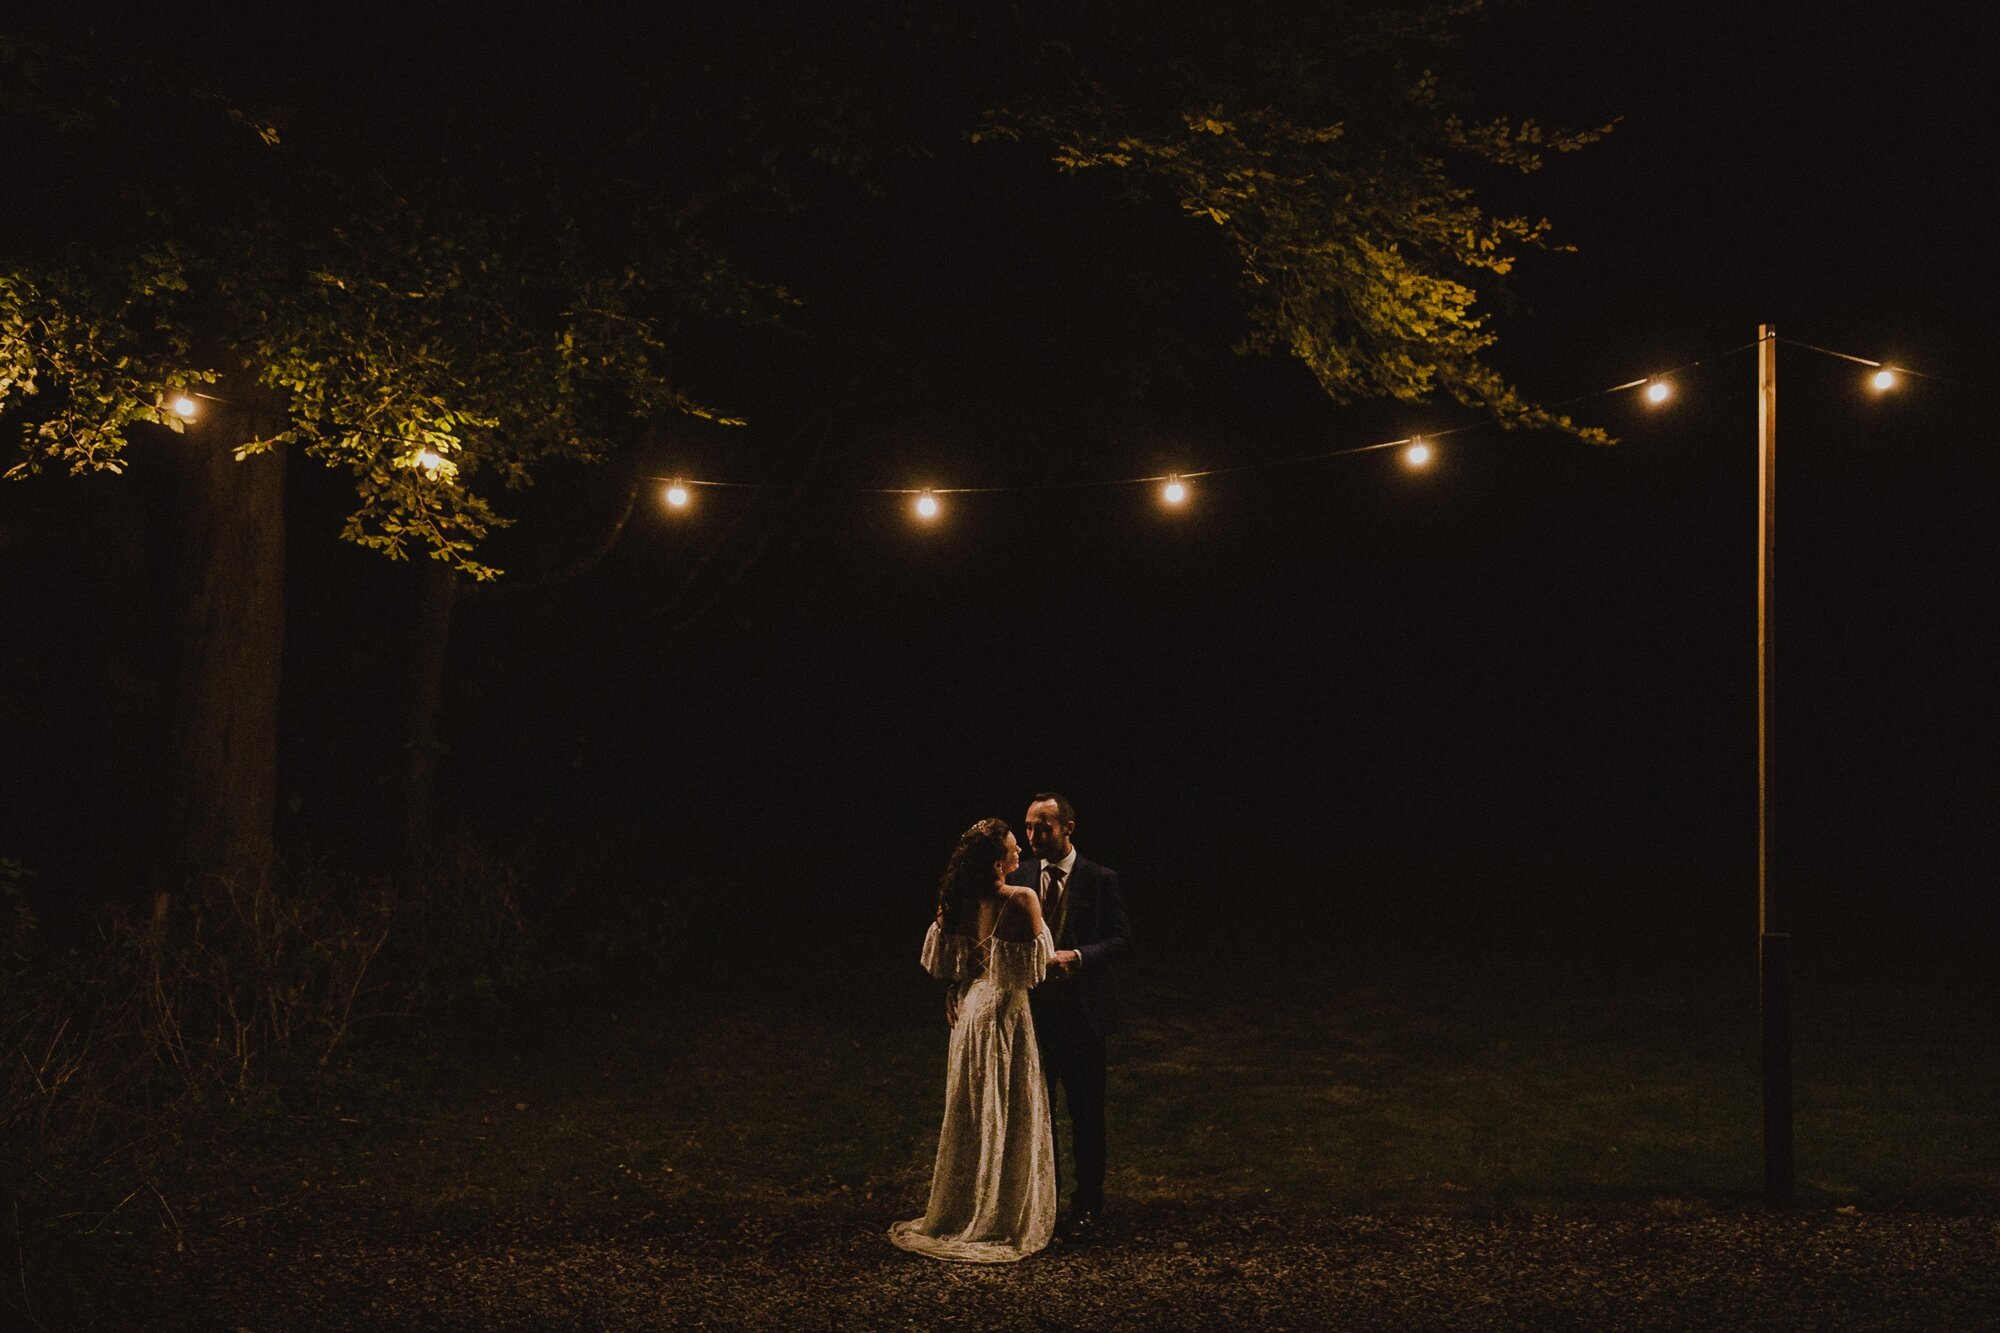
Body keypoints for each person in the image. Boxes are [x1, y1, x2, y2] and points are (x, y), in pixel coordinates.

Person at [890, 818, 1057, 1263]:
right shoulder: (1021, 899)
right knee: (1008, 1106)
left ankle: (965, 1204)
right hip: (1005, 1012)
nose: (1020, 849)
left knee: (974, 1108)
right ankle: (999, 1212)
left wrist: (957, 989)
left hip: (970, 1008)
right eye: (1012, 846)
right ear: (997, 860)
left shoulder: (957, 902)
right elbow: (1033, 972)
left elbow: (950, 963)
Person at [1010, 791, 1130, 1238]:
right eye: (1028, 827)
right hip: (1032, 1019)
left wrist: (1077, 956)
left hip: (1084, 1019)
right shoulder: (1017, 876)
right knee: (1036, 1116)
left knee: (1086, 1115)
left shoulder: (1100, 879)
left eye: (1043, 827)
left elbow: (1120, 938)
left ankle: (1088, 1205)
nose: (1033, 835)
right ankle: (1042, 1202)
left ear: (1067, 828)